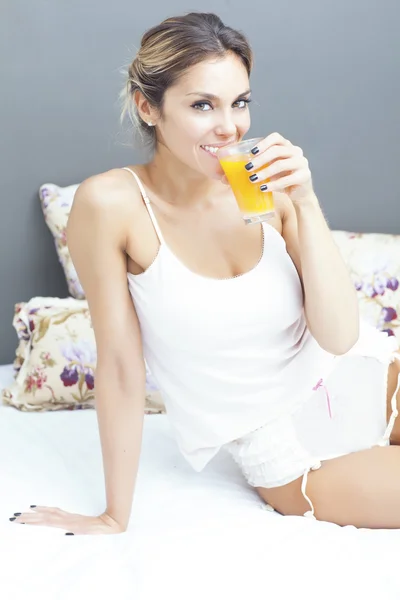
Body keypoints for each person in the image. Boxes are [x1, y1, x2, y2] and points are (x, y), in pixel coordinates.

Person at [12, 12, 400, 535]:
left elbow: (340, 336)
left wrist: (305, 203)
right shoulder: (111, 205)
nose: (230, 127)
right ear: (147, 107)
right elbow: (122, 367)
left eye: (239, 102)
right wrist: (112, 515)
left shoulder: (261, 183)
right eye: (202, 105)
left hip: (374, 375)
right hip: (294, 448)